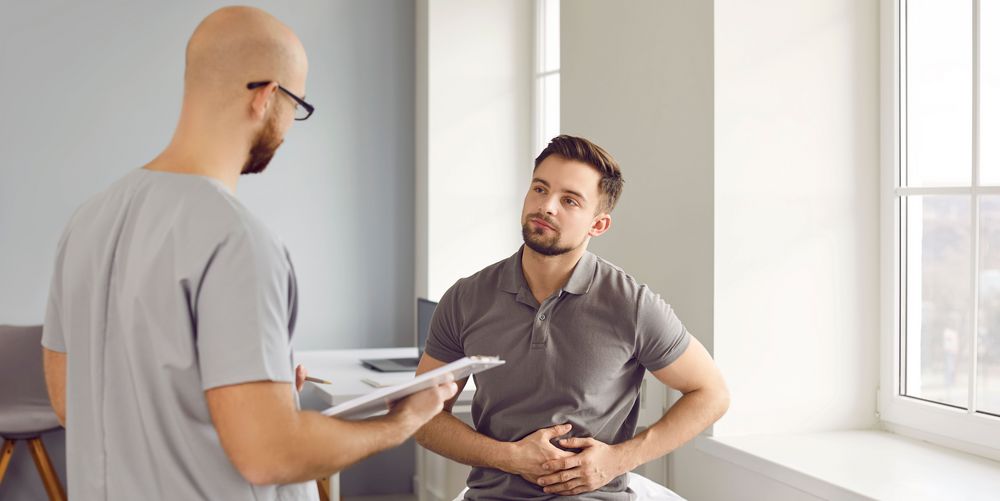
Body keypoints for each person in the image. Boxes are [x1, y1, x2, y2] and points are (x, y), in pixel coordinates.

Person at [41, 7, 455, 500]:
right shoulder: (236, 239)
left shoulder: (88, 220)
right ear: (266, 96)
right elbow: (269, 454)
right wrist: (401, 422)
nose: (290, 124)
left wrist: (250, 389)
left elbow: (72, 402)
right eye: (296, 105)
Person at [413, 135, 730, 499]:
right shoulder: (466, 298)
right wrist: (509, 457)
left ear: (598, 225)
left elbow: (711, 393)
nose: (546, 206)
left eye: (569, 201)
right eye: (539, 189)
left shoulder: (633, 304)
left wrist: (617, 460)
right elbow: (423, 416)